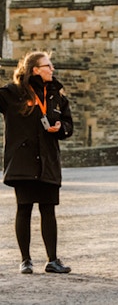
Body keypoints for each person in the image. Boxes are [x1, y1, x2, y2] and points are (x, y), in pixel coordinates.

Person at [0, 51, 74, 275]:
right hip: (23, 161)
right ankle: (26, 260)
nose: (52, 69)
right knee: (24, 208)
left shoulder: (57, 97)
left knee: (48, 210)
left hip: (48, 161)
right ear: (35, 69)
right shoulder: (13, 93)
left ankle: (52, 260)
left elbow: (69, 127)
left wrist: (61, 127)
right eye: (48, 66)